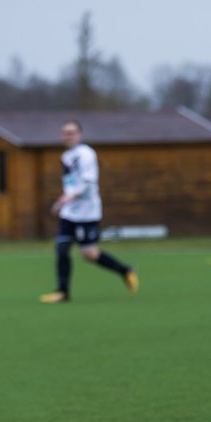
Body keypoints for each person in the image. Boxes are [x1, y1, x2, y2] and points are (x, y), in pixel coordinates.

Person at [40, 120, 139, 304]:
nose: (67, 136)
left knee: (89, 254)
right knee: (62, 249)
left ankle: (125, 270)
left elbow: (87, 183)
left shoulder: (86, 154)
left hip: (86, 212)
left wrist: (65, 199)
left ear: (80, 135)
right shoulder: (67, 156)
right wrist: (64, 200)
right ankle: (62, 292)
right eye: (64, 132)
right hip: (69, 212)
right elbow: (72, 184)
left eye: (71, 132)